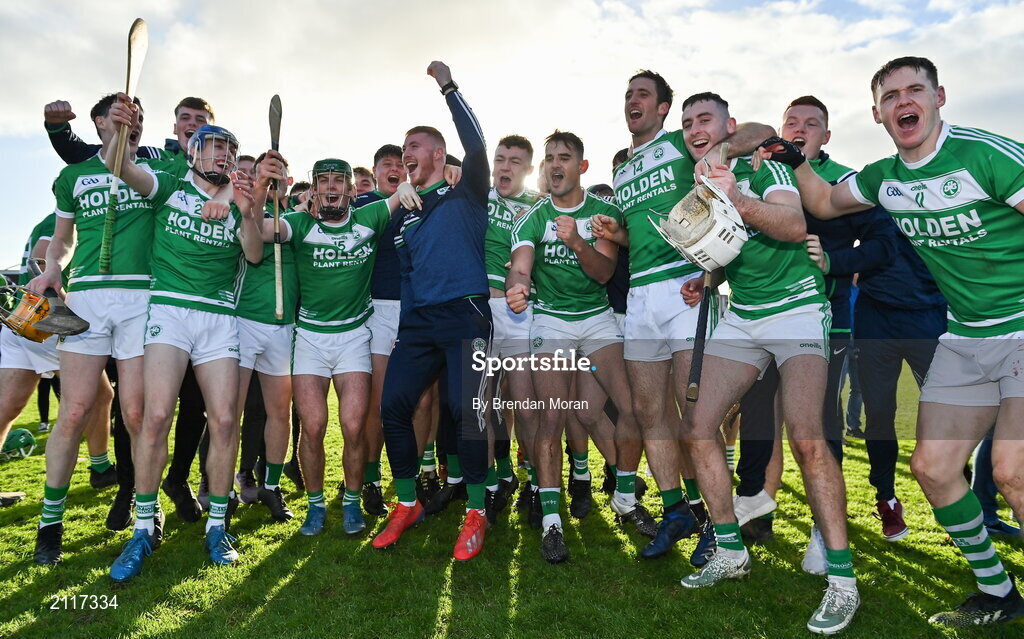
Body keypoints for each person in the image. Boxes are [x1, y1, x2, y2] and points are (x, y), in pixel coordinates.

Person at [781, 56, 1024, 626]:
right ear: (877, 114)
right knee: (933, 468)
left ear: (940, 97)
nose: (903, 101)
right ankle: (998, 594)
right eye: (889, 96)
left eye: (915, 89)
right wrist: (797, 162)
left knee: (1011, 469)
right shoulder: (883, 178)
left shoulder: (986, 155)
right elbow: (824, 202)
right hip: (964, 335)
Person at [677, 92, 859, 635]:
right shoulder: (702, 185)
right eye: (687, 124)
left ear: (728, 129)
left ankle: (843, 581)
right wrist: (707, 276)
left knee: (806, 437)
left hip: (797, 308)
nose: (695, 130)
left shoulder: (766, 165)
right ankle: (730, 550)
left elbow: (792, 225)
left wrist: (736, 192)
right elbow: (731, 249)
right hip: (745, 314)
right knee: (697, 427)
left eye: (704, 121)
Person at [101, 95, 263, 580]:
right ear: (192, 151)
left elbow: (255, 255)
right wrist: (120, 130)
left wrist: (247, 211)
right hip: (169, 311)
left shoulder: (237, 200)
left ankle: (217, 525)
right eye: (214, 147)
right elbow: (120, 166)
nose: (222, 156)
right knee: (155, 418)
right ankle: (144, 527)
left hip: (219, 316)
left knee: (225, 420)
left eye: (229, 150)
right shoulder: (169, 185)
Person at [254, 155, 418, 536]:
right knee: (312, 427)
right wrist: (262, 188)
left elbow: (402, 192)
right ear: (313, 190)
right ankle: (315, 506)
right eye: (324, 181)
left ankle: (351, 502)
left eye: (339, 181)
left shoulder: (369, 217)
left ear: (351, 190)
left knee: (354, 425)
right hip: (311, 338)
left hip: (354, 337)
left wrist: (410, 184)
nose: (331, 188)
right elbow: (258, 231)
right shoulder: (298, 224)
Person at [29, 95, 156, 566]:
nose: (132, 122)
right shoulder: (73, 176)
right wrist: (52, 269)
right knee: (75, 411)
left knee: (137, 414)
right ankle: (50, 523)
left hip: (140, 300)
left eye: (138, 117)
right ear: (99, 122)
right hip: (86, 300)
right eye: (121, 115)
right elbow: (62, 240)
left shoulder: (156, 172)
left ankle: (147, 514)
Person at [373, 61, 493, 562]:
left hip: (466, 314)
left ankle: (478, 511)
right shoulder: (402, 212)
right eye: (404, 148)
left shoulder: (467, 190)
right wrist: (406, 330)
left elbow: (478, 147)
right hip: (420, 324)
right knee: (393, 407)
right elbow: (406, 275)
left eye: (415, 146)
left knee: (467, 413)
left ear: (439, 154)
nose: (406, 153)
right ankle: (407, 504)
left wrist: (449, 87)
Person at [507, 130, 631, 563]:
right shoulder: (532, 218)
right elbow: (520, 267)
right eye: (550, 158)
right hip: (552, 322)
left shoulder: (603, 213)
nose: (555, 165)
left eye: (564, 157)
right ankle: (552, 523)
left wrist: (576, 241)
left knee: (629, 407)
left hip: (597, 319)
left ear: (582, 166)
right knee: (552, 418)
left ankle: (627, 498)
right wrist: (517, 287)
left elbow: (603, 273)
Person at [484, 134, 541, 520]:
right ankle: (495, 482)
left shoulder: (538, 205)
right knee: (482, 403)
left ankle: (536, 484)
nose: (505, 167)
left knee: (525, 403)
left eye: (515, 162)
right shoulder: (477, 196)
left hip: (520, 312)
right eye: (500, 159)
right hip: (480, 311)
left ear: (529, 169)